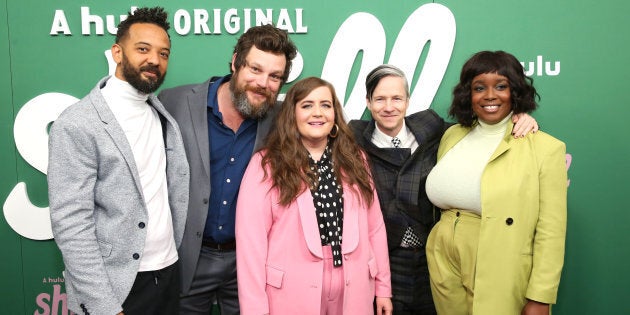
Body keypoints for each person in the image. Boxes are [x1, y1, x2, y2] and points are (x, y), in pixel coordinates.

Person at [348, 64, 539, 314]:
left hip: (433, 257)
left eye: (396, 98)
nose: (388, 107)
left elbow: (483, 131)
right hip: (384, 262)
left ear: (407, 100)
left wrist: (519, 116)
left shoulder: (433, 128)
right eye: (380, 99)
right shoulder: (352, 137)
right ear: (368, 102)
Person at [48, 7, 189, 315]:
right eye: (142, 49)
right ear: (117, 52)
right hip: (116, 285)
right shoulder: (77, 123)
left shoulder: (160, 114)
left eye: (163, 53)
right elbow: (71, 224)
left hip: (166, 273)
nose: (154, 59)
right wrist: (103, 306)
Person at [158, 24, 297, 314]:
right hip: (188, 259)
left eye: (275, 77)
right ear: (235, 62)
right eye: (255, 69)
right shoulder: (174, 102)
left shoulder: (282, 119)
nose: (263, 83)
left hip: (250, 263)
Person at [425, 50, 567, 315]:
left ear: (515, 91)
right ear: (469, 94)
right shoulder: (451, 135)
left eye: (501, 86)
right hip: (444, 257)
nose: (490, 96)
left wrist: (540, 296)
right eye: (480, 88)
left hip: (500, 255)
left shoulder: (545, 149)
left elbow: (551, 232)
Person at [235, 77, 393, 315]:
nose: (317, 113)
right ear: (292, 115)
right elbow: (251, 245)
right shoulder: (266, 164)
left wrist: (383, 288)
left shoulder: (355, 158)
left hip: (355, 289)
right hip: (290, 293)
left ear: (335, 114)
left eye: (325, 105)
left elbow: (375, 228)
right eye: (307, 105)